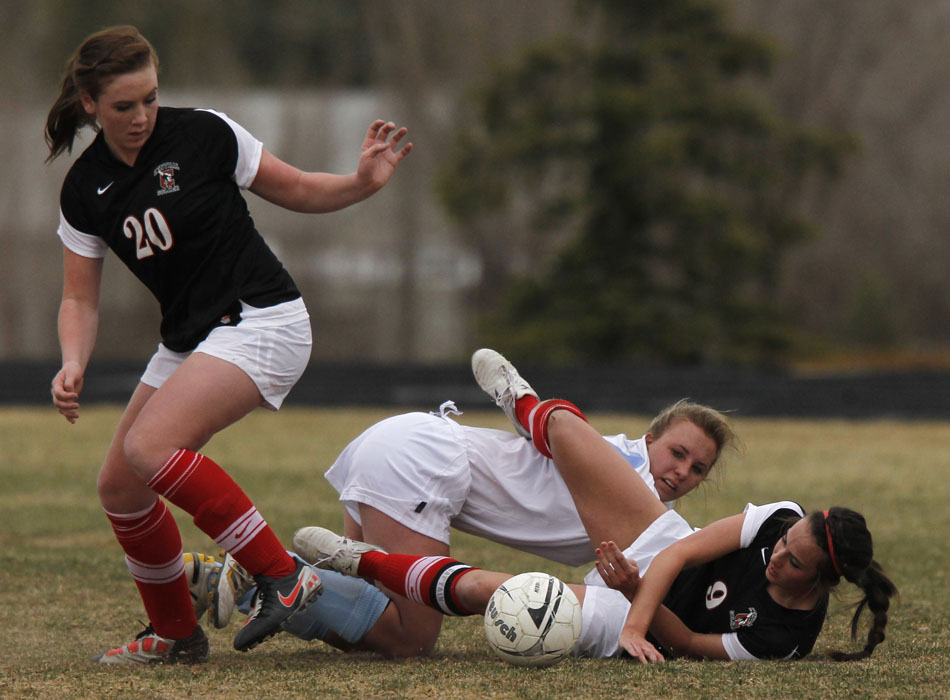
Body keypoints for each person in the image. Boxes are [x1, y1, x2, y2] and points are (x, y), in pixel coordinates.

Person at [45, 25, 412, 665]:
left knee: (150, 446)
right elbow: (79, 297)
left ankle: (284, 579)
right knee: (121, 487)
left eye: (150, 99)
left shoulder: (204, 133)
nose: (141, 117)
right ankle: (176, 636)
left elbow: (293, 186)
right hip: (192, 338)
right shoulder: (84, 188)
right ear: (89, 105)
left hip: (262, 316)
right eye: (124, 106)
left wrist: (361, 184)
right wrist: (72, 361)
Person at [281, 349, 897, 662]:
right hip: (426, 460)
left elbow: (683, 644)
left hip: (628, 596)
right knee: (413, 635)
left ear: (823, 578)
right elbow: (679, 548)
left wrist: (633, 604)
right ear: (649, 438)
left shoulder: (783, 638)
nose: (778, 556)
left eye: (793, 563)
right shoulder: (779, 518)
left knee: (510, 601)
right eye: (675, 453)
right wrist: (638, 601)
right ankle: (521, 400)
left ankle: (329, 569)